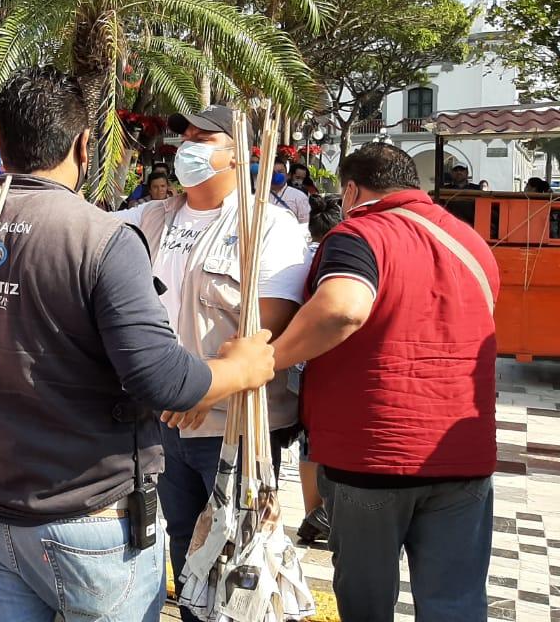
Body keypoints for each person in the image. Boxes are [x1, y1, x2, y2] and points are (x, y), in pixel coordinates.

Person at [0, 68, 277, 622]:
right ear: (83, 144)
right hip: (89, 521)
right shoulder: (101, 239)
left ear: (0, 141)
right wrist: (239, 369)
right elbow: (160, 379)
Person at [272, 143, 499, 622]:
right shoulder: (471, 242)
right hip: (461, 455)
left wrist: (266, 360)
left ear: (351, 189)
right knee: (456, 604)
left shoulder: (358, 234)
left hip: (372, 454)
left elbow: (341, 308)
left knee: (367, 604)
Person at [115, 104, 309, 622]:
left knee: (238, 557)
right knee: (184, 552)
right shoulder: (151, 217)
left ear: (237, 155)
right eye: (186, 139)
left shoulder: (270, 226)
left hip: (232, 425)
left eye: (204, 139)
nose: (189, 149)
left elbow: (268, 327)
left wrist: (206, 387)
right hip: (160, 421)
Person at [293, 193, 342, 545]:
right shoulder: (340, 258)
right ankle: (324, 514)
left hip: (298, 361)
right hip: (330, 364)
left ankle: (314, 514)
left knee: (306, 445)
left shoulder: (297, 257)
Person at [271, 158, 311, 224]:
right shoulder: (261, 195)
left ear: (287, 175)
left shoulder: (299, 197)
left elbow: (306, 224)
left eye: (280, 172)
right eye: (273, 172)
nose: (276, 175)